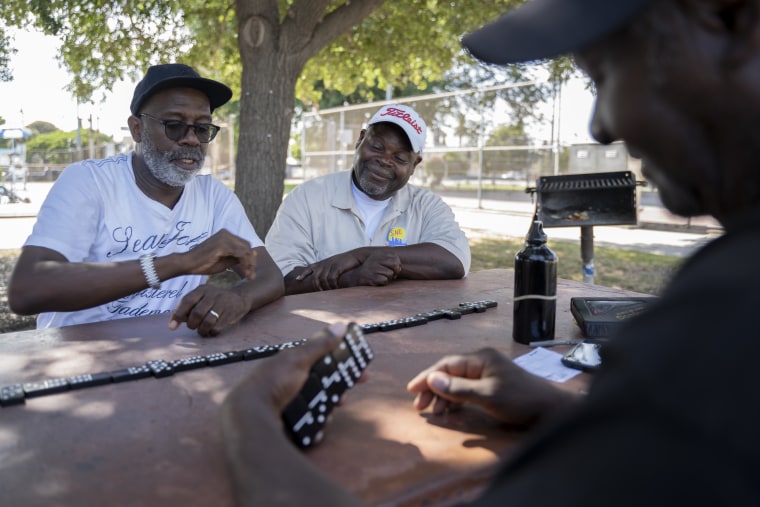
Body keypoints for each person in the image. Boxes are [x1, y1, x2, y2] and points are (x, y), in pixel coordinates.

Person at [221, 0, 760, 504]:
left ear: (732, 20)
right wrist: (561, 408)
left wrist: (246, 414)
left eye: (608, 72)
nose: (600, 126)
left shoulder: (726, 312)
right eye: (375, 144)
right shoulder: (727, 289)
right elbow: (664, 452)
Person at [8, 63, 284, 337]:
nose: (191, 140)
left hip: (170, 354)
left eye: (202, 129)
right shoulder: (89, 182)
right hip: (78, 357)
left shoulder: (213, 196)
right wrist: (179, 262)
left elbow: (269, 277)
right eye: (174, 126)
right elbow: (28, 289)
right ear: (136, 129)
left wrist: (238, 298)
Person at [264, 104, 471, 295]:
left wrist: (360, 255)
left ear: (414, 164)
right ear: (360, 140)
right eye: (377, 147)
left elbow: (454, 260)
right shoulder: (307, 198)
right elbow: (282, 278)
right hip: (323, 330)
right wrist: (352, 277)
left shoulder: (426, 206)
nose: (385, 161)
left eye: (399, 158)